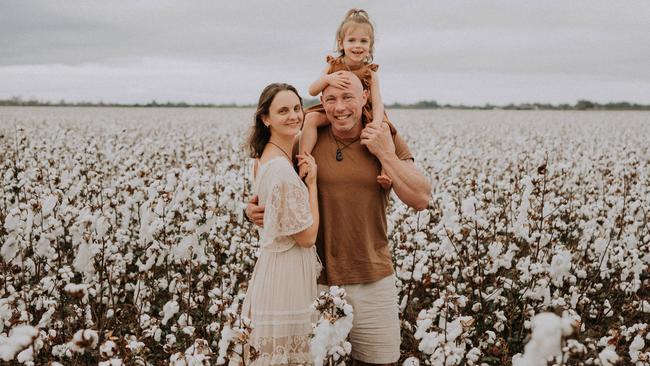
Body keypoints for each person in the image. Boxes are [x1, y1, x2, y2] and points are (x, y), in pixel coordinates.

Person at [246, 72, 431, 365]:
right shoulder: (303, 140)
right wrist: (250, 210)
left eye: (348, 97)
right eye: (331, 99)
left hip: (374, 277)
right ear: (321, 103)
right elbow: (269, 172)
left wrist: (385, 154)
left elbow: (420, 197)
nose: (339, 106)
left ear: (364, 98)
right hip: (315, 283)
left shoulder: (385, 135)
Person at [241, 83, 321, 365]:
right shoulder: (281, 169)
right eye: (283, 110)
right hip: (287, 276)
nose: (293, 116)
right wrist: (312, 184)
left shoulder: (264, 159)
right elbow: (307, 237)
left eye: (297, 108)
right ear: (266, 118)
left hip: (273, 270)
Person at [300, 8, 392, 189]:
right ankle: (304, 158)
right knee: (310, 118)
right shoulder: (333, 65)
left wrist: (377, 122)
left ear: (370, 46)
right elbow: (312, 90)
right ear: (341, 44)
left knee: (385, 130)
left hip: (364, 112)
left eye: (363, 41)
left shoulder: (370, 72)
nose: (357, 46)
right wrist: (327, 79)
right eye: (352, 40)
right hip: (335, 109)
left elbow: (378, 100)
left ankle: (385, 171)